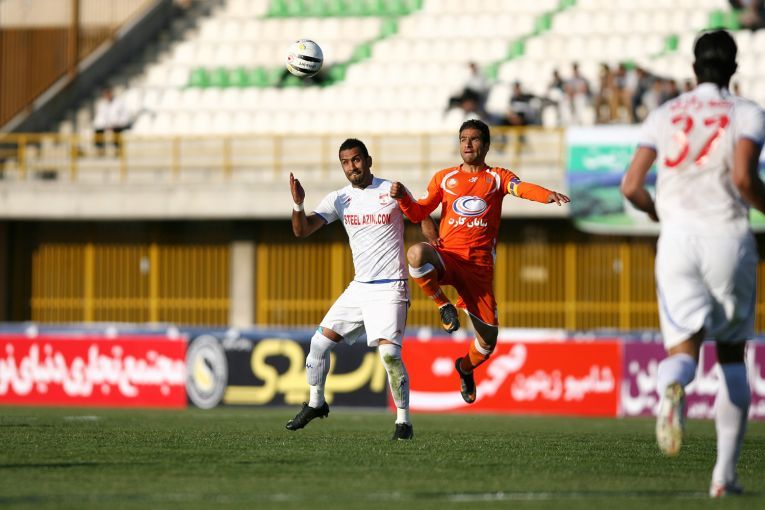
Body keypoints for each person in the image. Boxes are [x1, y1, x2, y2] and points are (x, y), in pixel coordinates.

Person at [621, 30, 765, 498]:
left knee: (682, 353)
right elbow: (743, 177)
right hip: (728, 238)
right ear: (734, 68)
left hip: (678, 241)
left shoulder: (664, 113)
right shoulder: (746, 112)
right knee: (732, 358)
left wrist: (654, 211)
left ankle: (672, 389)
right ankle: (723, 477)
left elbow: (631, 186)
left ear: (693, 68)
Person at [389, 119, 569, 404]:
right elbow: (417, 213)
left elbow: (521, 188)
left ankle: (464, 368)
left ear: (486, 146)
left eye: (473, 139)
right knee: (415, 254)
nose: (467, 144)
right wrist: (403, 198)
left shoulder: (497, 177)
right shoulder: (444, 178)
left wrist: (546, 195)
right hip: (449, 257)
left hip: (479, 270)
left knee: (487, 344)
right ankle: (443, 305)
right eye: (463, 139)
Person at [287, 138, 414, 440]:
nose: (351, 167)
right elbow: (302, 230)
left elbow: (421, 216)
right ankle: (316, 403)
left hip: (390, 286)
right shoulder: (339, 199)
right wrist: (298, 204)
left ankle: (403, 423)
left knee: (389, 355)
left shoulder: (392, 190)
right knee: (318, 344)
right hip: (359, 288)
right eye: (345, 162)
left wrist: (434, 253)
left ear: (368, 161)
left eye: (356, 160)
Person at [92, 87, 130, 155]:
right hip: (108, 125)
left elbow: (125, 117)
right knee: (98, 131)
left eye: (107, 94)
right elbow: (101, 118)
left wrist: (116, 123)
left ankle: (117, 150)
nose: (106, 96)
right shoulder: (103, 104)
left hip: (119, 125)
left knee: (116, 130)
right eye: (105, 95)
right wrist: (106, 125)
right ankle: (100, 149)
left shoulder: (119, 103)